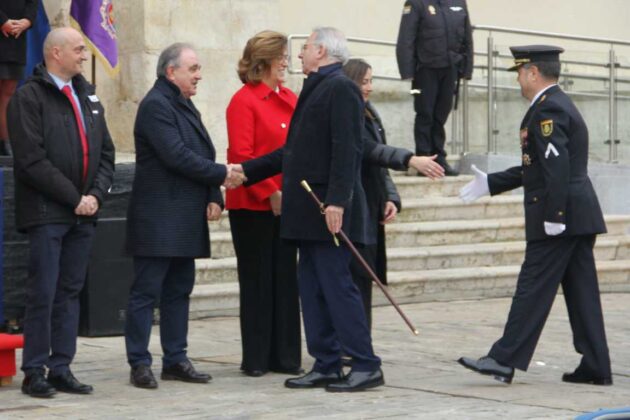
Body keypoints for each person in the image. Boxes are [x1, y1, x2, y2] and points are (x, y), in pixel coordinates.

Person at [457, 45, 612, 386]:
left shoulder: (548, 109)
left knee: (532, 287)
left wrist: (554, 214)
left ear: (532, 72)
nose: (517, 80)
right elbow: (540, 166)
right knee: (581, 290)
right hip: (577, 213)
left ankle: (503, 358)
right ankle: (596, 365)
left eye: (519, 73)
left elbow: (557, 166)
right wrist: (492, 183)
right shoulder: (552, 105)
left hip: (560, 215)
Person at [240, 27, 384, 392]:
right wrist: (246, 172)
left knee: (337, 287)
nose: (298, 55)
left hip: (326, 209)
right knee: (313, 288)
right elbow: (292, 152)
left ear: (320, 51)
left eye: (304, 48)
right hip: (307, 212)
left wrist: (337, 200)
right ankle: (326, 362)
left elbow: (347, 149)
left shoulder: (341, 88)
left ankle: (365, 364)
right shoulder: (316, 86)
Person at [125, 42, 245, 390]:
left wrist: (213, 195)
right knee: (146, 292)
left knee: (178, 289)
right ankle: (139, 362)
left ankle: (175, 359)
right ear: (170, 71)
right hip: (158, 217)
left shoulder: (184, 104)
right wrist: (222, 174)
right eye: (192, 69)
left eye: (198, 68)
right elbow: (176, 155)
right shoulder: (155, 106)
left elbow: (200, 150)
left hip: (183, 215)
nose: (199, 75)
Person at [8, 27, 115, 398]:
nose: (84, 54)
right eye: (78, 49)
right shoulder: (28, 97)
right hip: (47, 212)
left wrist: (96, 195)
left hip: (83, 213)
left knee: (70, 292)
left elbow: (106, 153)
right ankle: (34, 369)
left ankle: (61, 367)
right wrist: (74, 197)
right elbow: (31, 161)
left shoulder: (88, 95)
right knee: (44, 291)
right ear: (55, 53)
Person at [342, 58, 444, 329]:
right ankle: (350, 346)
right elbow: (369, 149)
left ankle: (361, 342)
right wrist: (411, 159)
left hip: (372, 204)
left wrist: (390, 197)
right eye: (364, 82)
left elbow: (380, 165)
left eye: (371, 81)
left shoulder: (369, 112)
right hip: (355, 208)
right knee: (353, 281)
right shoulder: (346, 113)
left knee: (365, 278)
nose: (370, 88)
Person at [225, 30, 301, 377]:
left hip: (288, 205)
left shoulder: (290, 97)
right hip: (253, 206)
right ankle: (256, 357)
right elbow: (243, 155)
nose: (286, 62)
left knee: (285, 280)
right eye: (281, 56)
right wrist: (271, 191)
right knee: (257, 281)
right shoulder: (244, 100)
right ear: (265, 60)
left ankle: (285, 357)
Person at [396, 0, 473, 175]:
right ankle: (424, 158)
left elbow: (467, 37)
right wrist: (407, 72)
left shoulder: (459, 3)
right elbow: (406, 38)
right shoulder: (416, 3)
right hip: (424, 70)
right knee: (425, 114)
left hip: (450, 68)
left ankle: (439, 158)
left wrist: (466, 69)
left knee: (441, 115)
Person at [0, 0, 36, 156]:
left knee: (8, 92)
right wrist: (2, 21)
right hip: (4, 27)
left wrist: (27, 21)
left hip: (15, 38)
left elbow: (33, 3)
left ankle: (5, 141)